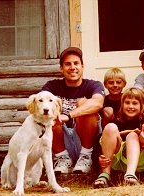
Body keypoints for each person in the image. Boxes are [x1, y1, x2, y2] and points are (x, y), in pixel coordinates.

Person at [41, 46, 105, 174]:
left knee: (84, 103)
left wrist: (69, 115)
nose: (72, 67)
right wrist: (58, 115)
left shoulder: (93, 85)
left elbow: (98, 103)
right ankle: (62, 158)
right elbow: (40, 105)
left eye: (76, 63)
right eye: (67, 64)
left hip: (85, 141)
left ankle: (86, 157)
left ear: (82, 66)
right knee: (47, 110)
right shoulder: (52, 86)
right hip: (60, 138)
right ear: (61, 68)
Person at [94, 88, 144, 188]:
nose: (130, 106)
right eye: (127, 103)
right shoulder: (117, 122)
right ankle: (105, 174)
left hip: (138, 161)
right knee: (110, 127)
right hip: (115, 160)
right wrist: (98, 157)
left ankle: (130, 175)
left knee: (132, 136)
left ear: (142, 105)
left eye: (135, 103)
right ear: (122, 104)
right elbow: (100, 139)